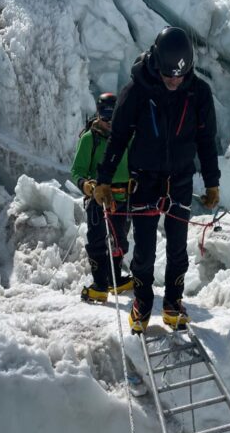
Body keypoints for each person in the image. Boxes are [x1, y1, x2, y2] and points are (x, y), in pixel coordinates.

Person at [94, 27, 220, 333]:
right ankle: (142, 302)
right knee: (146, 249)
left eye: (180, 75)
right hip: (144, 179)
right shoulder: (136, 91)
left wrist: (212, 181)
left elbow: (206, 139)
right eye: (168, 75)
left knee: (178, 248)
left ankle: (173, 303)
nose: (174, 81)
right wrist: (104, 180)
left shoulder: (198, 92)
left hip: (180, 179)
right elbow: (119, 138)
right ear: (156, 63)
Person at [71, 92, 133, 304]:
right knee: (97, 240)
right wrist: (87, 186)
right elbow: (77, 170)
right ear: (99, 116)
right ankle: (100, 284)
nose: (109, 124)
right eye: (106, 119)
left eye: (112, 119)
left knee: (120, 239)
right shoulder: (90, 139)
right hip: (99, 198)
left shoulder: (127, 136)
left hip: (124, 196)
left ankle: (114, 279)